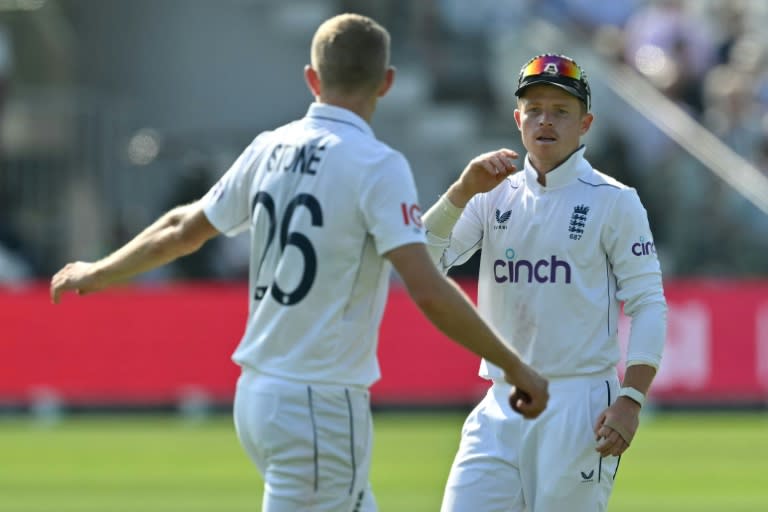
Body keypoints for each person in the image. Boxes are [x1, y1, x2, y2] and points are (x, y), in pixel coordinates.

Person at [50, 14, 549, 512]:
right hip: (319, 402)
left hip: (259, 395)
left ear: (311, 78)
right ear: (388, 82)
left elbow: (181, 231)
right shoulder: (376, 164)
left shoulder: (269, 148)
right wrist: (513, 365)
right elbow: (427, 289)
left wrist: (99, 271)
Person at [422, 53, 667, 511]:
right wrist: (459, 193)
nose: (545, 121)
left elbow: (649, 303)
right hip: (500, 400)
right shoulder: (491, 192)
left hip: (579, 404)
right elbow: (422, 265)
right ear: (518, 119)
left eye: (560, 111)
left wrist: (631, 399)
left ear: (585, 123)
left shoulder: (614, 201)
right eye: (534, 109)